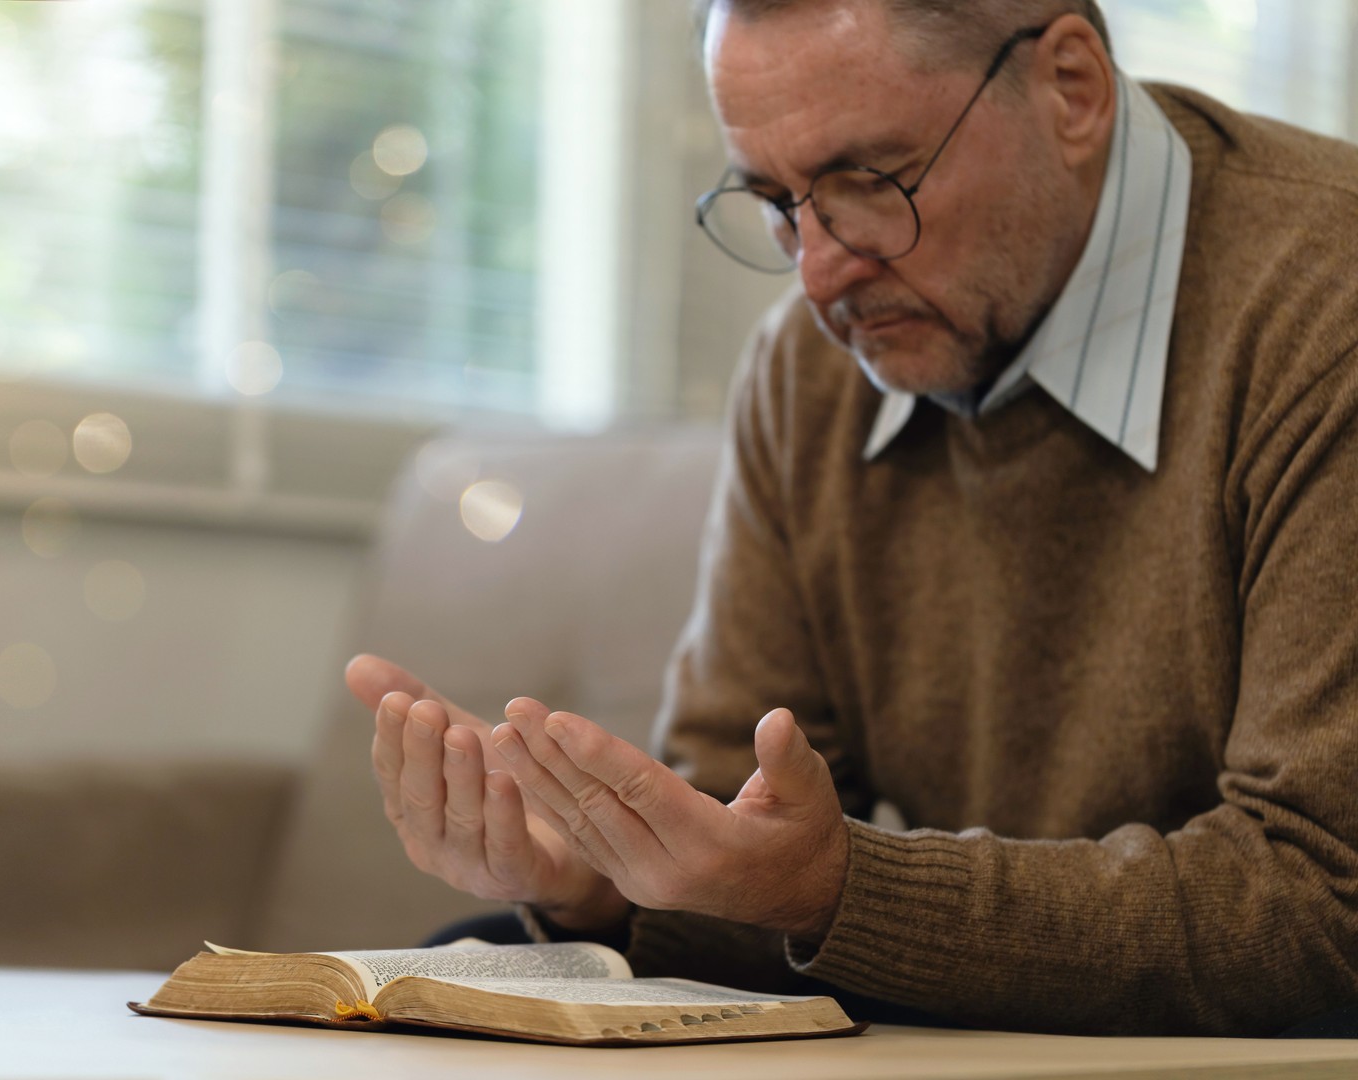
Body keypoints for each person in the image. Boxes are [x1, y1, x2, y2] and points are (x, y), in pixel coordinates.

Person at [343, 0, 1358, 1037]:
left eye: (870, 181)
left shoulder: (1329, 308)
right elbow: (745, 822)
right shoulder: (812, 369)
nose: (819, 271)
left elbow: (1330, 900)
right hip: (982, 1032)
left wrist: (834, 890)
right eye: (777, 201)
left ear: (1071, 91)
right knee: (469, 970)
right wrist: (609, 877)